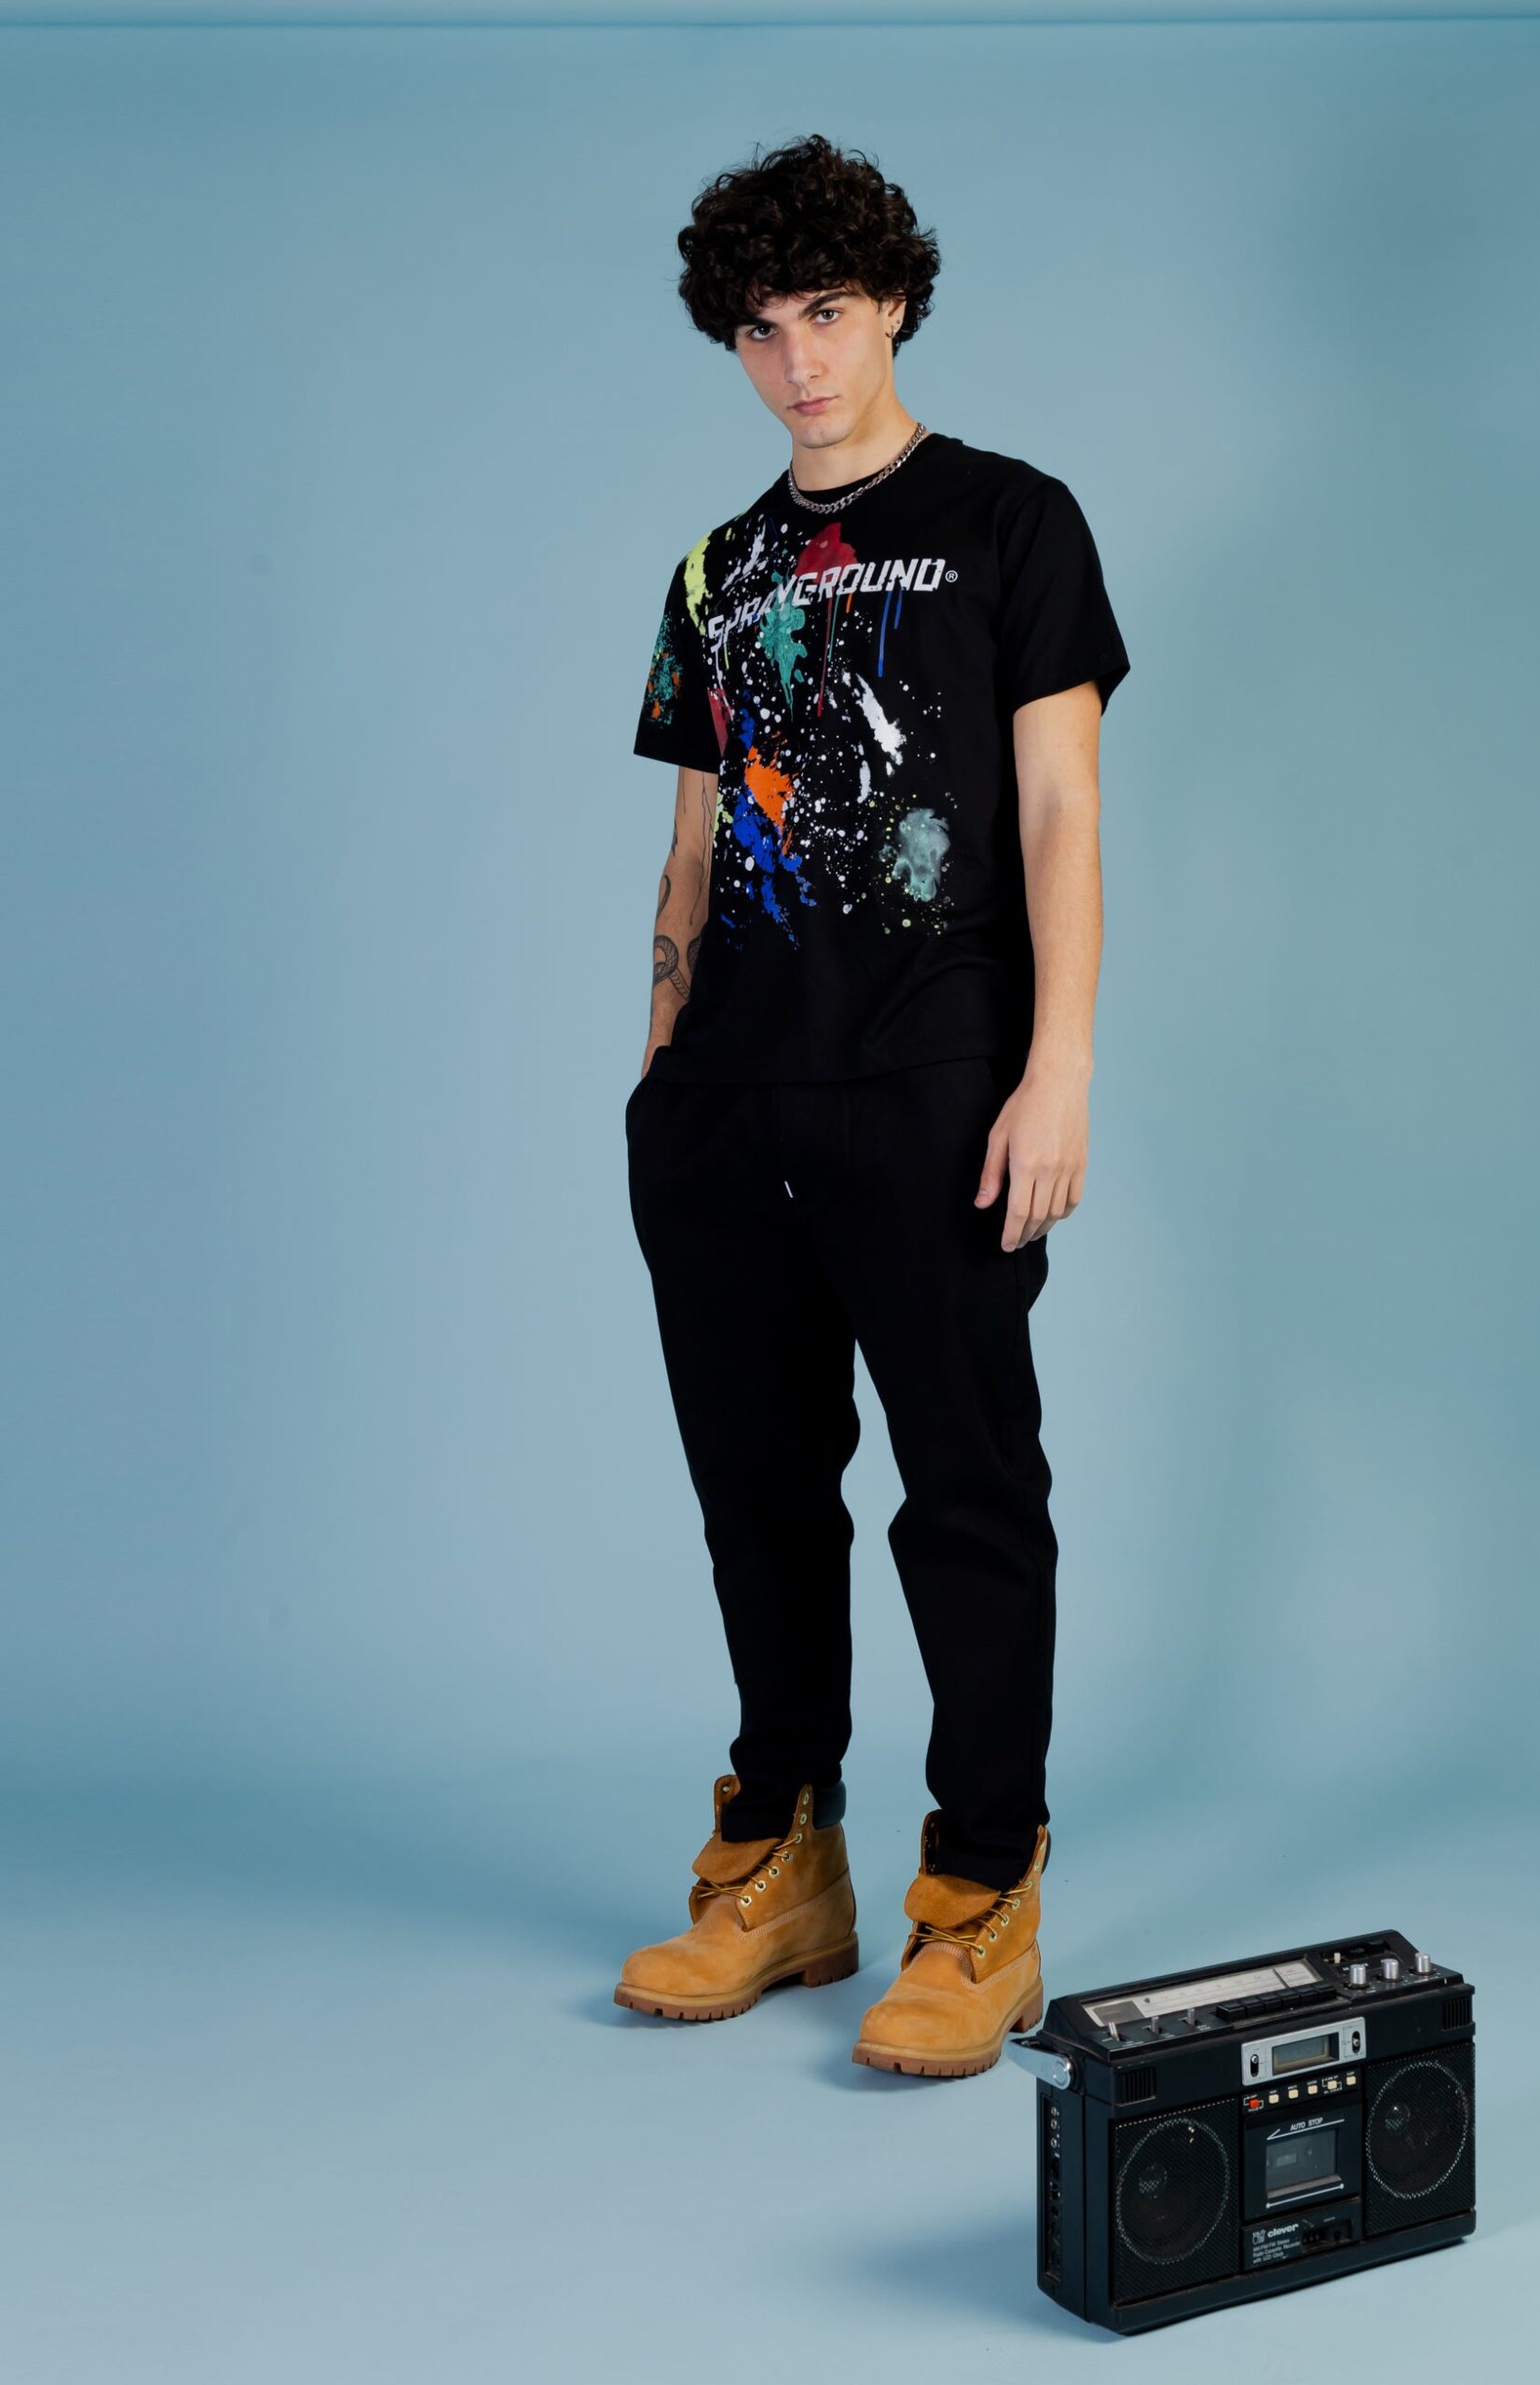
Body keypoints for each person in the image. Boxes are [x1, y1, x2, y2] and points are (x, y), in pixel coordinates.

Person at [613, 133, 1130, 2078]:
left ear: (894, 301)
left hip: (932, 1084)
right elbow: (689, 844)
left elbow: (1063, 808)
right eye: (759, 329)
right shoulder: (714, 568)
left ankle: (982, 1891)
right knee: (757, 1493)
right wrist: (657, 1082)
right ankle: (783, 1865)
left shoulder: (1013, 520)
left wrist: (1058, 1064)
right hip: (725, 1099)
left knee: (967, 1488)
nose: (798, 362)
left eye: (825, 312)